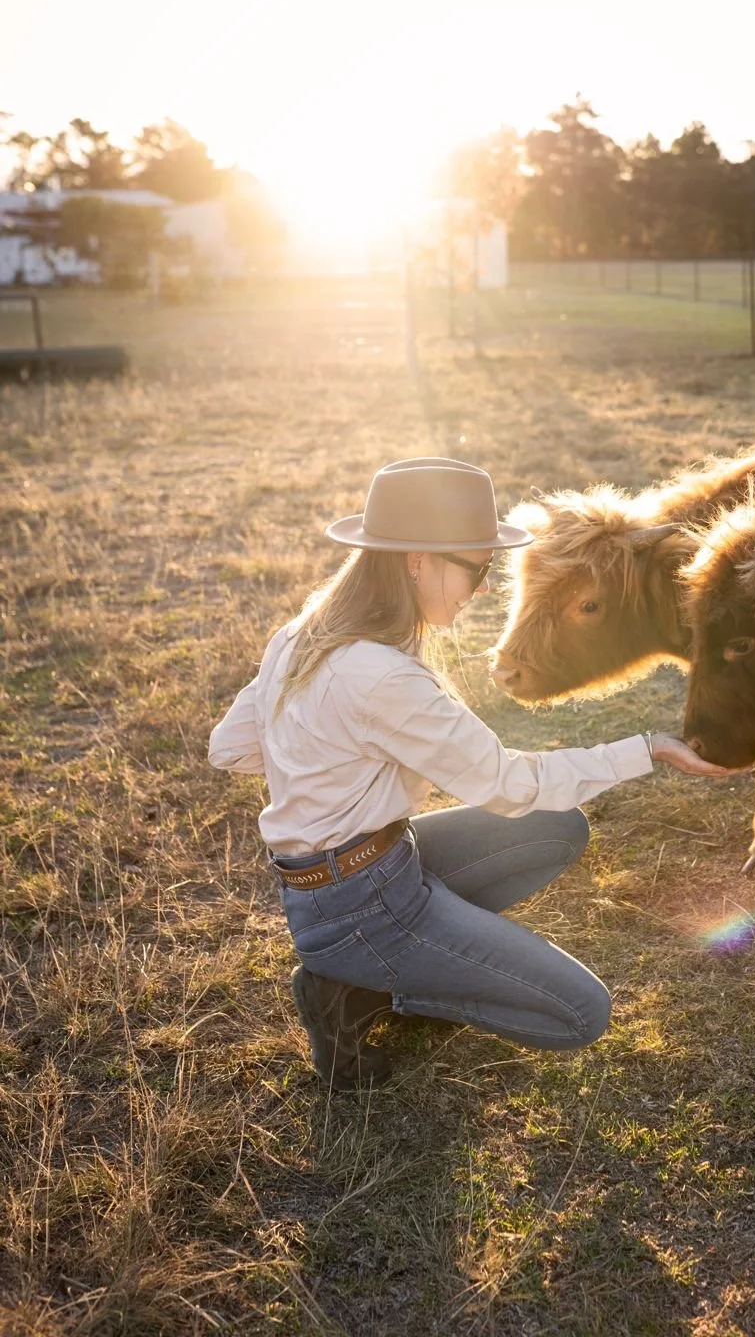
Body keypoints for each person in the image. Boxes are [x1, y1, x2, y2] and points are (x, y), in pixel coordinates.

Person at [209, 457, 728, 1089]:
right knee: (580, 1014)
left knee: (557, 828)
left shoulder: (305, 633)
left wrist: (324, 753)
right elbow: (507, 785)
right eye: (477, 568)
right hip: (362, 905)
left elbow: (229, 748)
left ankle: (406, 957)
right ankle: (356, 991)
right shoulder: (385, 677)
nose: (482, 589)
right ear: (417, 560)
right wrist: (648, 748)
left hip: (352, 873)